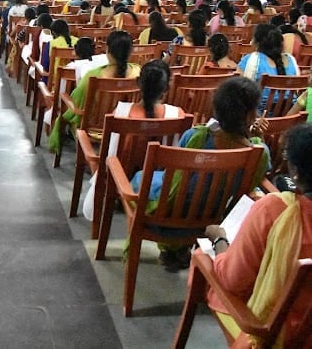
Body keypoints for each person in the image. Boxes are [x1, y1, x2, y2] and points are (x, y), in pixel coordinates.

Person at [132, 76, 270, 270]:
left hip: (168, 218)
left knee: (141, 179)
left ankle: (173, 249)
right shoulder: (259, 153)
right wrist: (257, 137)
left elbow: (173, 179)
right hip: (215, 219)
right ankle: (179, 250)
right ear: (249, 116)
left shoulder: (195, 136)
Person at [200, 122, 312, 344]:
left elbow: (231, 280)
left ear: (296, 173)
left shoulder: (276, 210)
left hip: (274, 333)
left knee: (202, 265)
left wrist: (220, 239)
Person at [80, 59, 186, 221]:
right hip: (157, 187)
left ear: (138, 83)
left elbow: (108, 153)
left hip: (120, 182)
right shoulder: (178, 115)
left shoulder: (121, 112)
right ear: (167, 88)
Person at [51, 31, 142, 148]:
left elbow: (76, 102)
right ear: (130, 52)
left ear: (107, 50)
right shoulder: (138, 72)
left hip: (93, 129)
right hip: (124, 127)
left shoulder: (93, 76)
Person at [238, 24, 299, 110]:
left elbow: (238, 92)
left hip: (261, 119)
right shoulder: (291, 61)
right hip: (291, 117)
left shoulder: (250, 60)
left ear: (257, 43)